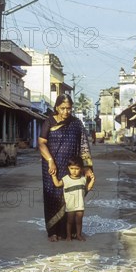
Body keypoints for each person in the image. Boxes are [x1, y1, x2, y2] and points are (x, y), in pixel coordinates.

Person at [38, 94, 94, 242]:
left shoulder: (76, 123)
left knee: (71, 197)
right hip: (51, 166)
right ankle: (53, 231)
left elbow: (84, 146)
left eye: (68, 108)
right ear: (57, 107)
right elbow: (42, 143)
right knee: (53, 196)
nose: (65, 112)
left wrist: (87, 167)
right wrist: (50, 161)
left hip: (71, 166)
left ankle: (71, 231)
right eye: (62, 108)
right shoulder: (49, 122)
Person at [51, 156, 95, 241]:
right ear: (68, 168)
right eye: (72, 168)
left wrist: (92, 180)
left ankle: (78, 235)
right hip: (70, 206)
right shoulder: (66, 179)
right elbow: (57, 184)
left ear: (81, 169)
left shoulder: (83, 179)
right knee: (69, 221)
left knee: (79, 221)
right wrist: (53, 176)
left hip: (80, 205)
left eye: (77, 168)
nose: (74, 171)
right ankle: (68, 236)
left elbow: (87, 189)